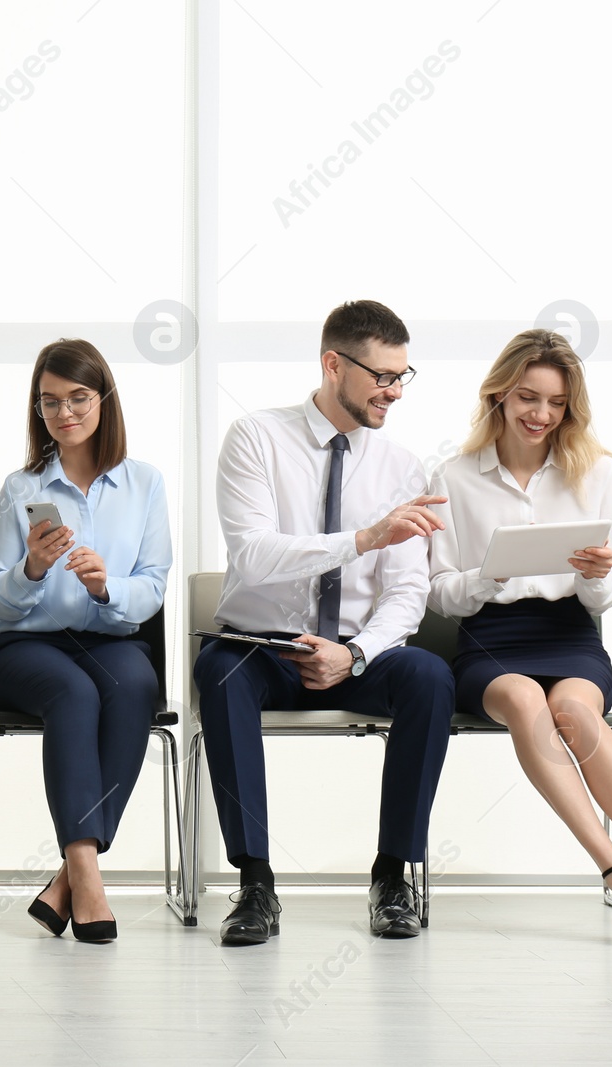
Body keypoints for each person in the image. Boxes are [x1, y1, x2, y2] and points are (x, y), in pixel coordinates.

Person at [429, 329, 612, 954]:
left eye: (556, 403)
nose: (541, 415)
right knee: (530, 708)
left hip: (570, 635)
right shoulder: (454, 475)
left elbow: (605, 595)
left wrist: (596, 577)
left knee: (575, 712)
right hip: (490, 642)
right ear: (500, 395)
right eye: (528, 398)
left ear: (570, 408)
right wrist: (489, 575)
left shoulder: (597, 473)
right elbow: (440, 595)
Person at [194, 299, 455, 946]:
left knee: (428, 675)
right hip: (265, 648)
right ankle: (256, 881)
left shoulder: (401, 465)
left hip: (356, 654)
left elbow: (408, 590)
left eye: (402, 376)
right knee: (218, 674)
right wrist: (362, 537)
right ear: (332, 364)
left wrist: (357, 654)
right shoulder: (255, 437)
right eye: (381, 376)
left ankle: (391, 876)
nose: (394, 391)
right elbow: (252, 556)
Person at [0, 339, 171, 945]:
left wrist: (107, 586)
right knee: (73, 692)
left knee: (135, 684)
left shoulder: (144, 484)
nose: (64, 413)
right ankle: (87, 878)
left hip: (110, 638)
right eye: (50, 402)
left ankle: (67, 873)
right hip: (23, 647)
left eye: (78, 398)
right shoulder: (21, 488)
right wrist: (31, 569)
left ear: (103, 399)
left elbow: (154, 587)